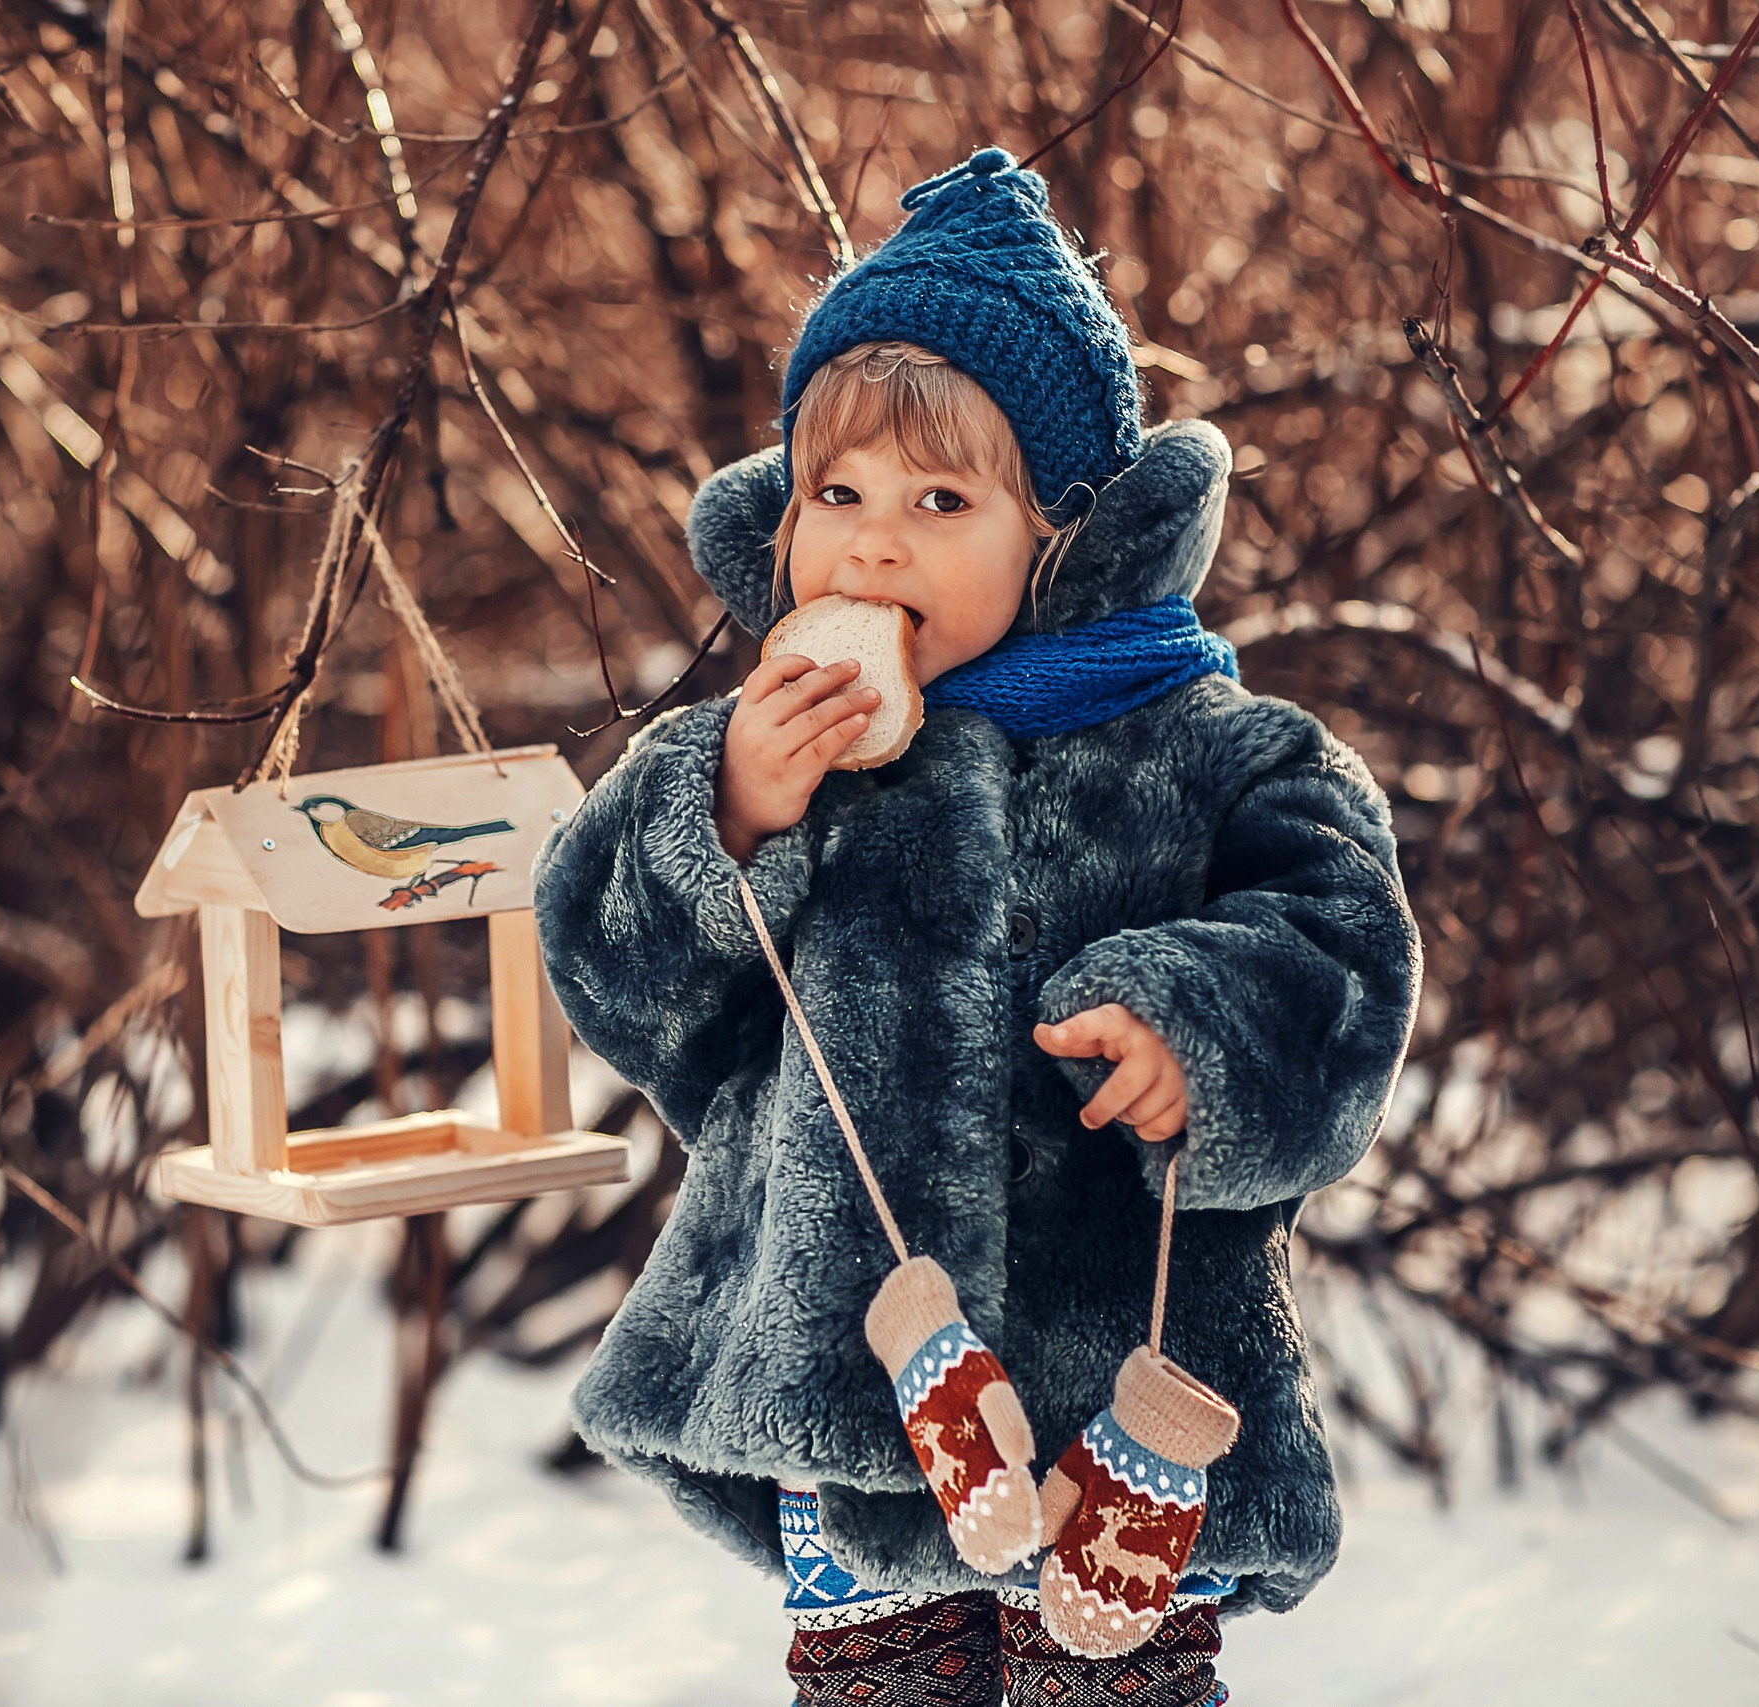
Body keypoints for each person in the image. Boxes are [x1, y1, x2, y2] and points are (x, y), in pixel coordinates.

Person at [533, 145, 1421, 1706]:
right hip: (855, 1385)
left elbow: (1346, 961)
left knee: (1112, 1688)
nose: (873, 544)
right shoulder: (763, 753)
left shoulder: (1215, 751)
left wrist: (1195, 1027)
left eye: (942, 499)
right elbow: (622, 984)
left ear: (1063, 533)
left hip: (1121, 1400)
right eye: (838, 494)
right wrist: (726, 813)